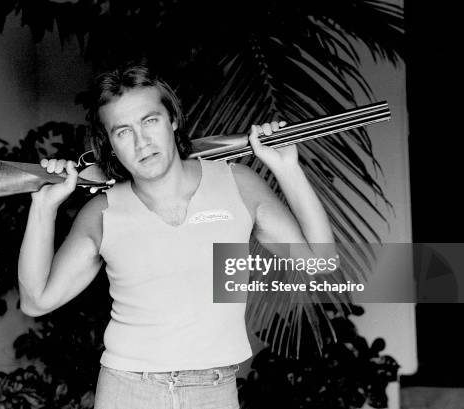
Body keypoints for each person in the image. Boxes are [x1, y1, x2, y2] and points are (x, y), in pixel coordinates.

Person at [17, 63, 335, 409]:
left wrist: (287, 169)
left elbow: (320, 262)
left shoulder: (237, 184)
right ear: (109, 144)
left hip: (214, 391)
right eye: (122, 132)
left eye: (150, 121)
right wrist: (43, 208)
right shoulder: (102, 212)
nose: (141, 142)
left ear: (172, 120)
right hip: (128, 390)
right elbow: (37, 300)